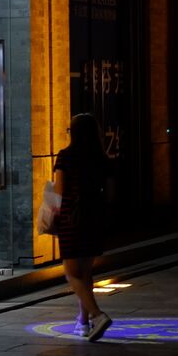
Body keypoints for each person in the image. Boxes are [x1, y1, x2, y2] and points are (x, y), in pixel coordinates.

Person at [54, 112, 115, 341]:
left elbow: (58, 192)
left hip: (71, 218)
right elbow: (110, 194)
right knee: (86, 272)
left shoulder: (65, 156)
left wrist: (53, 217)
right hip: (95, 217)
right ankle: (84, 321)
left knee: (71, 273)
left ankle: (97, 315)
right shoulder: (102, 158)